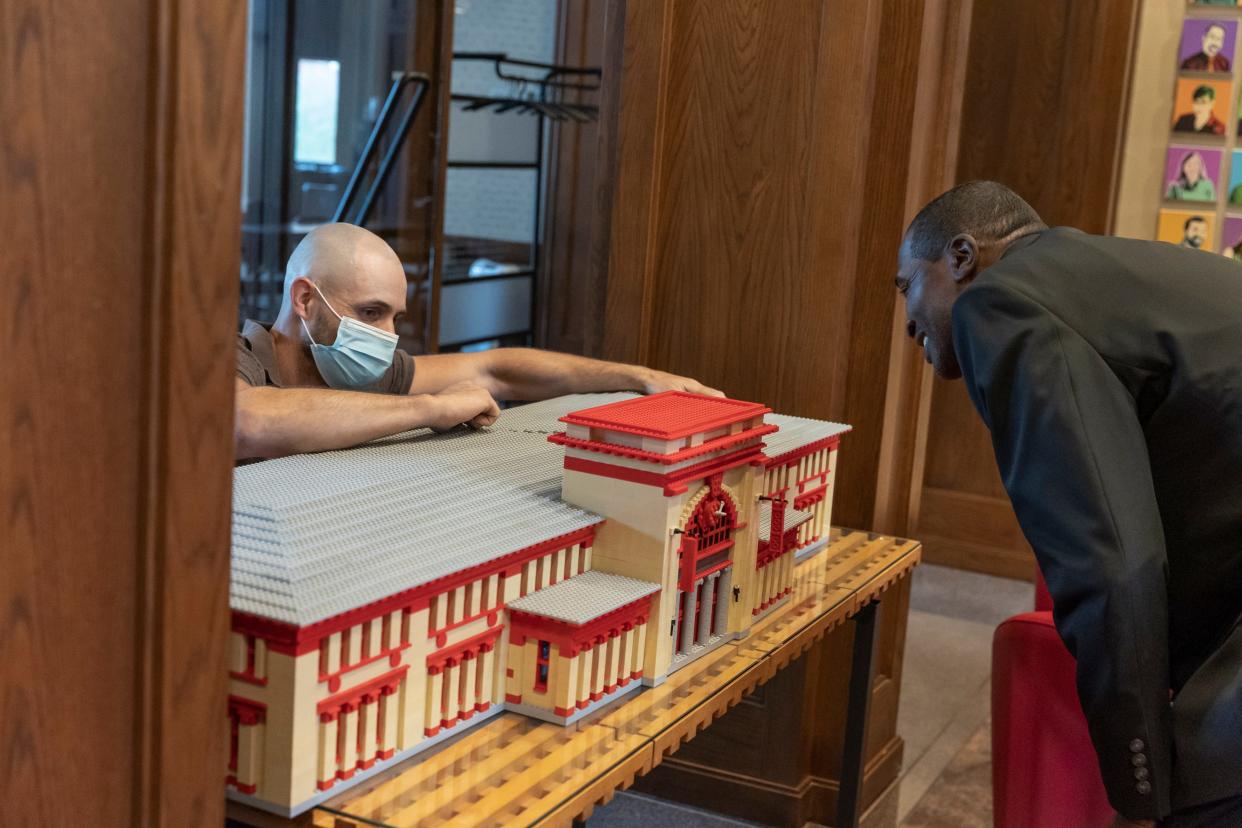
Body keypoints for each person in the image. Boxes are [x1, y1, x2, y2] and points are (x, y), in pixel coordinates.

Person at [895, 182, 1242, 827]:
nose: (909, 320)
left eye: (907, 286)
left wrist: (1141, 785)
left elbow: (1107, 561)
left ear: (963, 257)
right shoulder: (1100, 278)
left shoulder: (1000, 305)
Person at [235, 223, 720, 460]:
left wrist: (639, 376)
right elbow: (248, 420)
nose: (387, 337)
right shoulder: (235, 358)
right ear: (305, 299)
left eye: (393, 317)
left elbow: (495, 369)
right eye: (369, 313)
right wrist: (429, 408)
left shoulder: (364, 370)